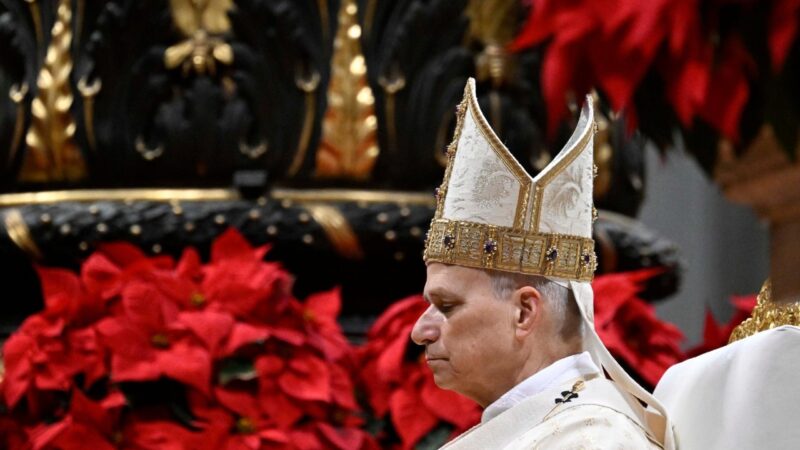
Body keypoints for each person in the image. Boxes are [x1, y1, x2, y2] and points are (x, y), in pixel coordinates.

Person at [410, 78, 675, 449]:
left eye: (447, 306)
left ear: (524, 312)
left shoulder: (595, 440)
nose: (420, 331)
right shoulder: (534, 429)